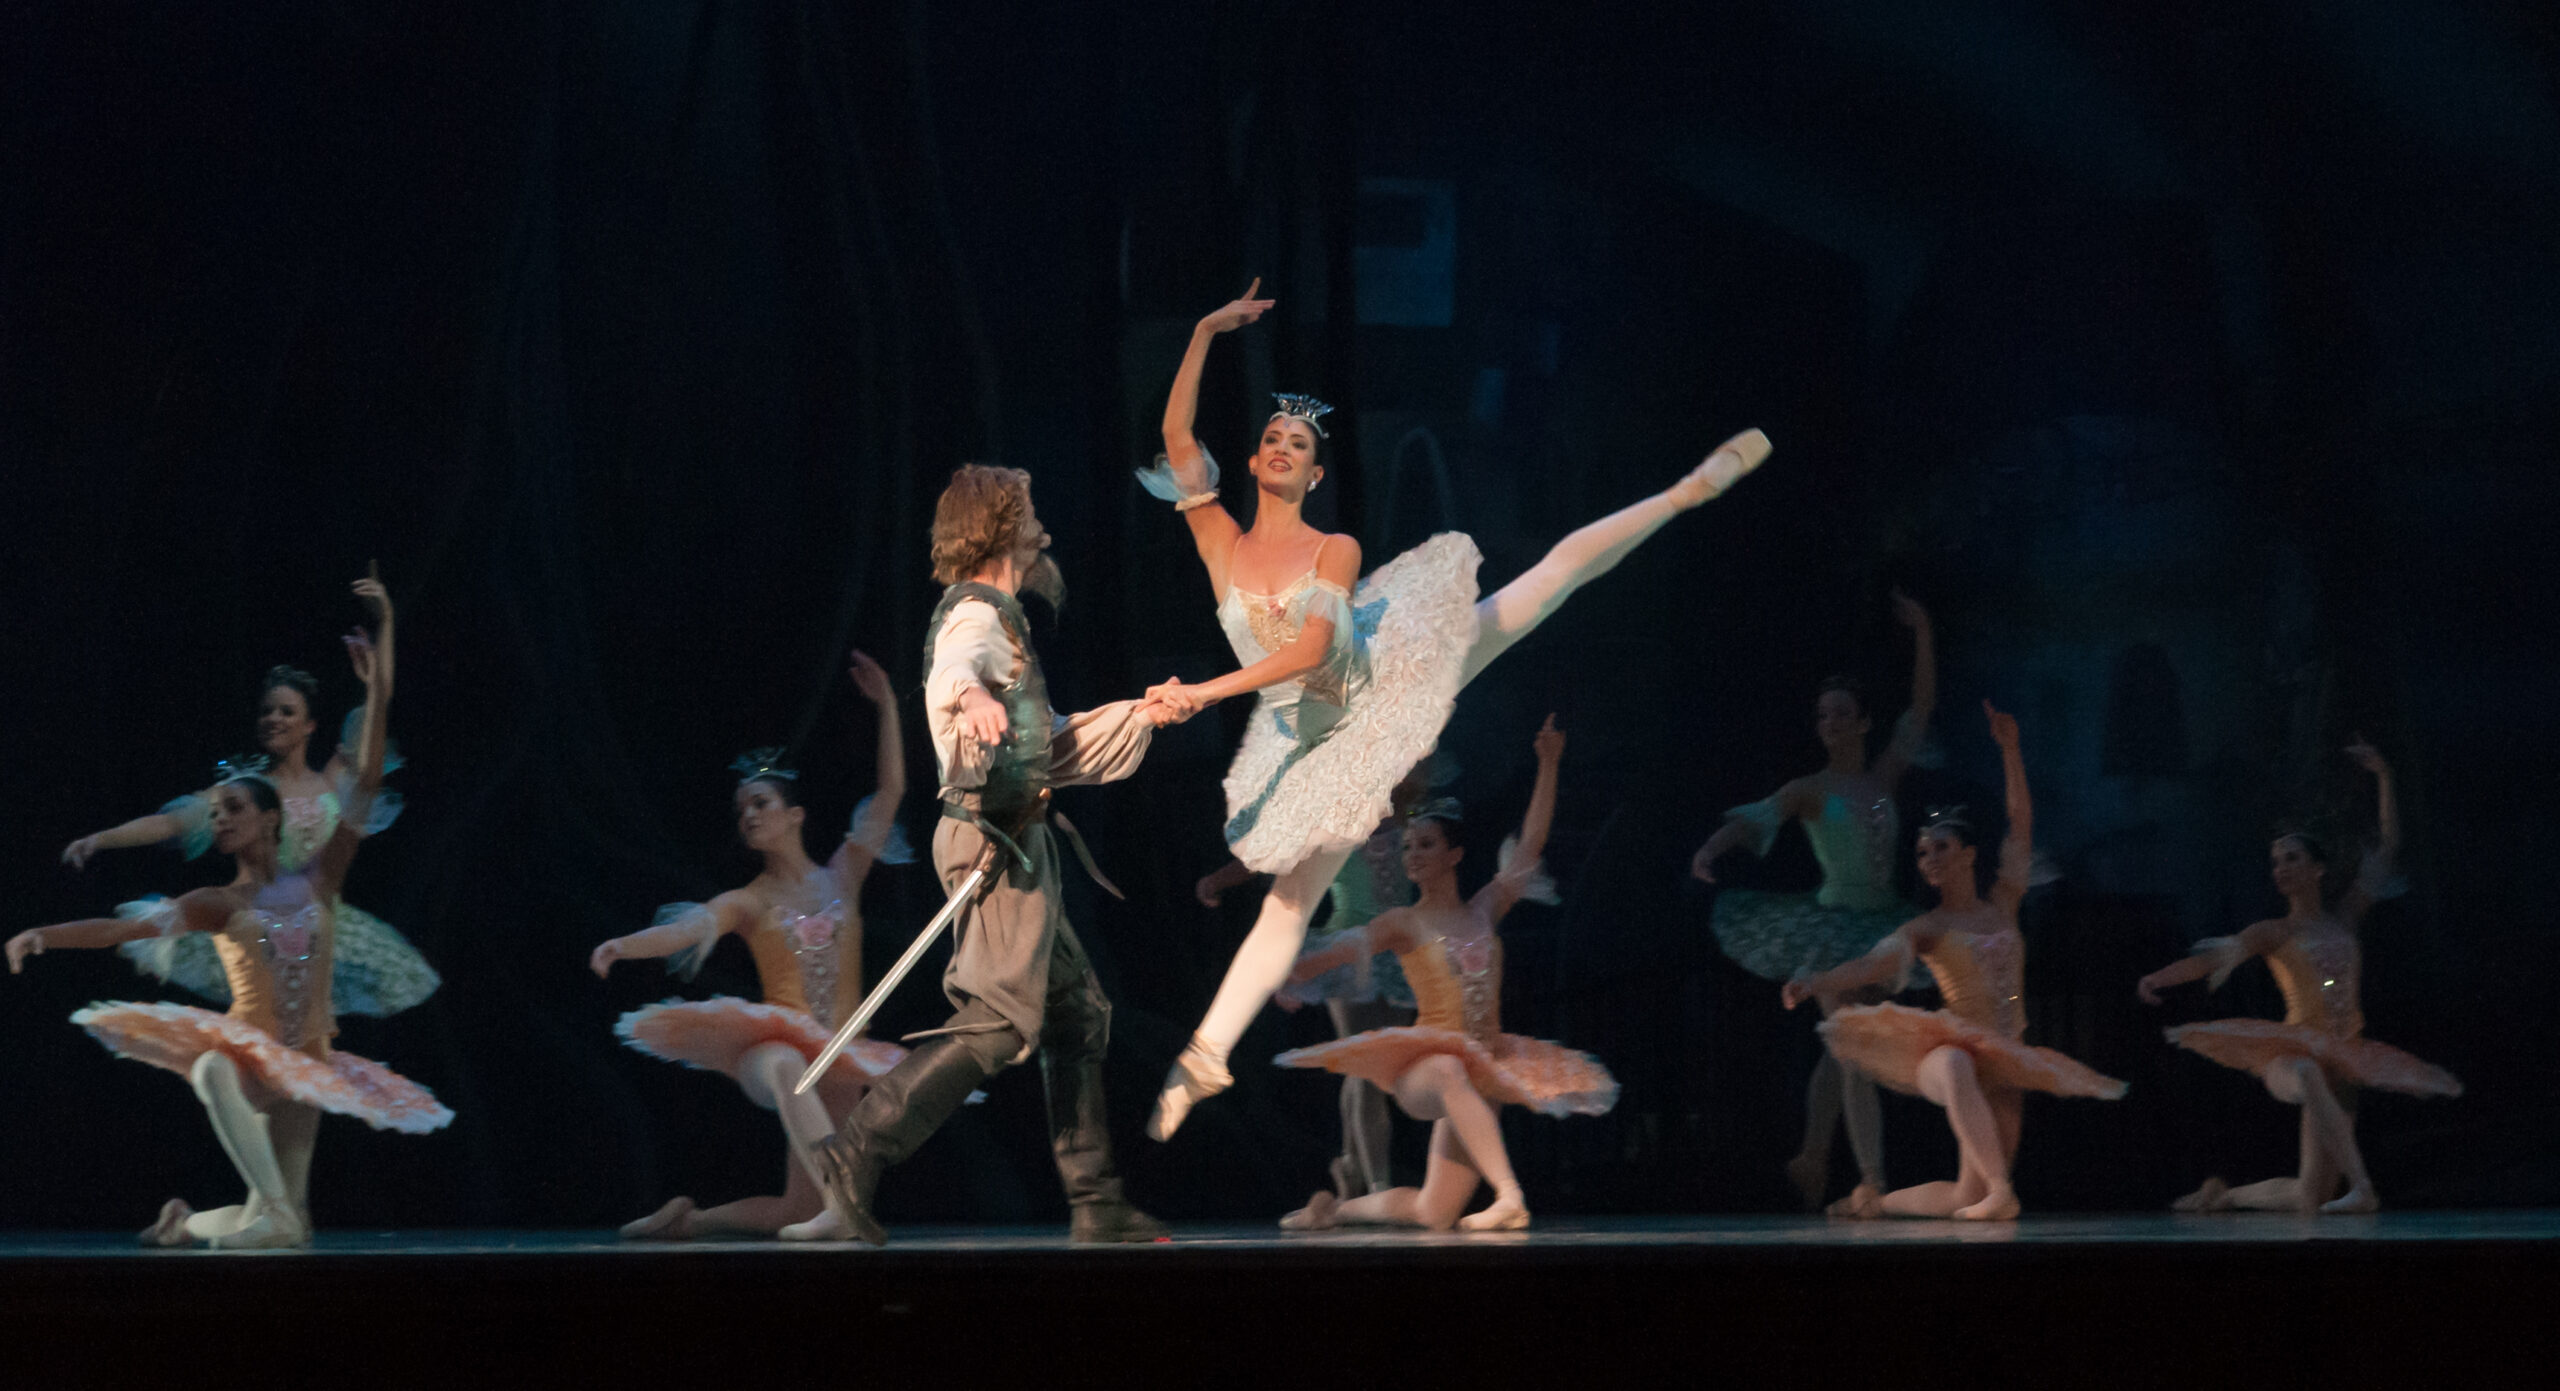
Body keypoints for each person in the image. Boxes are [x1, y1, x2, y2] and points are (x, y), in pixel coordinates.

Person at [1138, 280, 1769, 1139]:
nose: (1283, 446)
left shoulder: (1337, 546)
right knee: (1286, 908)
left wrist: (1200, 694)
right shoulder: (1218, 539)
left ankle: (1683, 493)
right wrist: (1208, 330)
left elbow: (1312, 653)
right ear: (1251, 462)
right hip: (1329, 739)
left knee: (1542, 587)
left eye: (1299, 442)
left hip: (1386, 674)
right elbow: (1178, 436)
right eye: (1271, 437)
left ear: (1316, 472)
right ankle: (1202, 1058)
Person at [7, 570, 449, 1249]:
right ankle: (267, 1207)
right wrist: (44, 933)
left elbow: (364, 778)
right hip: (251, 1055)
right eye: (215, 813)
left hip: (306, 1060)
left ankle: (190, 1222)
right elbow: (125, 928)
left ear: (269, 819)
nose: (220, 820)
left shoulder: (320, 879)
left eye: (231, 808)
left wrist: (377, 680)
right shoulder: (215, 901)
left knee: (294, 1229)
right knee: (213, 1067)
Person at [805, 465, 1171, 1245]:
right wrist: (969, 698)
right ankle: (858, 1146)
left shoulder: (1005, 619)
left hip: (1017, 837)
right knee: (1001, 1020)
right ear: (1000, 527)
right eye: (1030, 513)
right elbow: (952, 671)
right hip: (993, 844)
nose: (1042, 527)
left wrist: (1143, 711)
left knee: (1077, 1014)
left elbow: (1049, 741)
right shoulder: (975, 616)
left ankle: (1095, 1198)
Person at [593, 651, 917, 1239]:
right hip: (772, 1052)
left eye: (760, 804)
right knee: (791, 1067)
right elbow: (689, 928)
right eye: (741, 810)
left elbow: (891, 790)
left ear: (795, 815)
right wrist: (625, 944)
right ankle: (842, 1200)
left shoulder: (844, 873)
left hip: (841, 1058)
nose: (748, 816)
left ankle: (684, 1222)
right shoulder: (751, 899)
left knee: (799, 1210)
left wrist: (888, 706)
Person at [1782, 701, 2124, 1220]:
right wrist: (1816, 981)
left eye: (1940, 848)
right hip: (1949, 1053)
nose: (1930, 859)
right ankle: (2002, 1193)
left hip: (2006, 1055)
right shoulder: (1928, 928)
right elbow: (1873, 964)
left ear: (1967, 853)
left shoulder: (2004, 902)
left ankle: (1875, 1205)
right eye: (1923, 853)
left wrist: (2010, 750)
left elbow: (2021, 820)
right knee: (1958, 1067)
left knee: (1969, 1195)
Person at [1274, 716, 1612, 1232]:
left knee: (1436, 1212)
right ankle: (1510, 1195)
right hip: (1428, 1068)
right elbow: (1339, 951)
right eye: (1409, 847)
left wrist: (1548, 765)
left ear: (1454, 855)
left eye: (1426, 845)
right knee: (1452, 1071)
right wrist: (1288, 974)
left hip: (1484, 1068)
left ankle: (1334, 1210)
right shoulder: (1402, 923)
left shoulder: (1484, 909)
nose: (1413, 855)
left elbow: (1530, 846)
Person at [2135, 738, 2459, 1214]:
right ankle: (2364, 1187)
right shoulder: (2274, 932)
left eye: (2292, 859)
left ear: (2318, 869)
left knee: (2312, 1195)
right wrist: (2158, 979)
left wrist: (2385, 776)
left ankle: (2221, 1196)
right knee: (2308, 1072)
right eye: (2276, 862)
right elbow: (2212, 959)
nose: (2281, 869)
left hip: (2345, 1055)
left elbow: (2387, 846)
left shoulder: (2346, 916)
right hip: (2292, 1054)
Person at [1691, 591, 1936, 1207]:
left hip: (1881, 924)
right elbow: (1755, 821)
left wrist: (1925, 634)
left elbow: (1922, 708)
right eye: (1821, 716)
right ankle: (1869, 1182)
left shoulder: (1883, 778)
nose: (1828, 724)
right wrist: (1711, 851)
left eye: (1839, 714)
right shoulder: (1810, 788)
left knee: (1844, 1051)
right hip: (1828, 928)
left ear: (1862, 721)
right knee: (1850, 1044)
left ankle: (1813, 1157)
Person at [62, 638, 437, 1021]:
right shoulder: (245, 793)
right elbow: (173, 821)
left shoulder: (331, 779)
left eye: (286, 711)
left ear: (309, 725)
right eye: (267, 711)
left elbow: (374, 737)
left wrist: (381, 653)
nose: (274, 718)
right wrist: (102, 838)